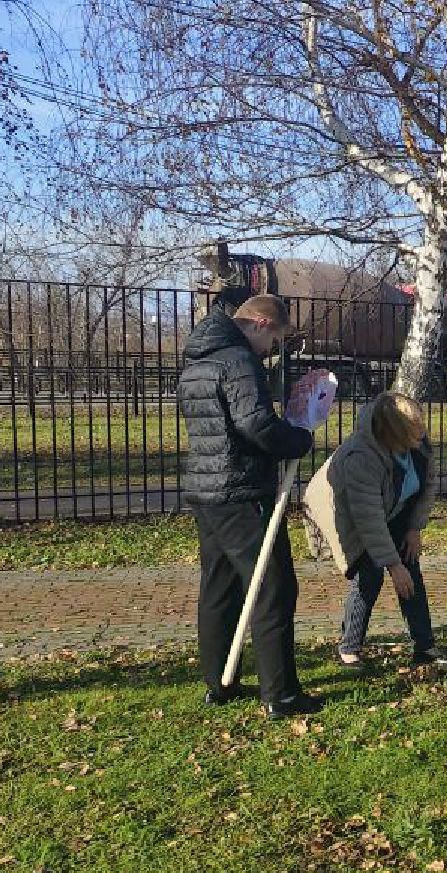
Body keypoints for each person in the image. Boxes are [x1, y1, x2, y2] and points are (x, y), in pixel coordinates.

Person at [177, 293, 320, 717]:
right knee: (273, 586)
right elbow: (256, 424)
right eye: (274, 340)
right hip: (239, 490)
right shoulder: (238, 361)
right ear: (260, 323)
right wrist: (298, 439)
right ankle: (281, 693)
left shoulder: (198, 361)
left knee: (219, 587)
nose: (271, 350)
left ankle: (219, 682)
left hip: (206, 490)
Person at [301, 391, 447, 670]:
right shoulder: (361, 456)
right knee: (369, 575)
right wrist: (393, 564)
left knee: (411, 570)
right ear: (393, 432)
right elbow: (369, 519)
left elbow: (427, 485)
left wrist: (414, 528)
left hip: (392, 505)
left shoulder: (418, 443)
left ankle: (424, 646)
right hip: (345, 510)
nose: (422, 434)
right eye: (414, 430)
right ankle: (349, 648)